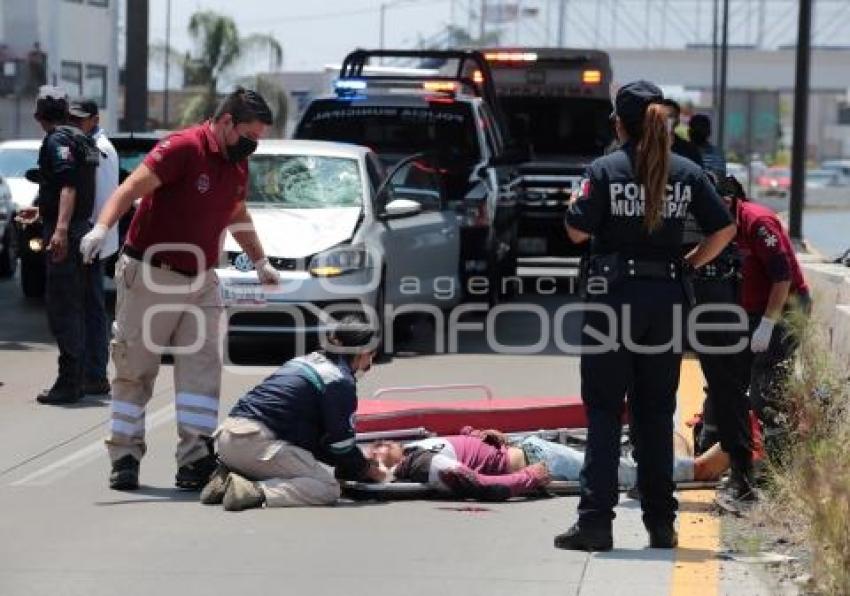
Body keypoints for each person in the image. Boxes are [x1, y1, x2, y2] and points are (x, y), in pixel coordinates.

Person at [557, 80, 736, 551]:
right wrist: (688, 263)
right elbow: (725, 228)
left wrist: (575, 206)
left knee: (603, 410)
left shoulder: (604, 169)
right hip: (666, 299)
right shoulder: (688, 171)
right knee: (656, 413)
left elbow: (576, 232)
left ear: (620, 123)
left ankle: (596, 522)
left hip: (613, 300)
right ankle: (661, 523)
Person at [79, 88, 281, 491]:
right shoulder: (183, 148)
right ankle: (124, 455)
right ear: (226, 122)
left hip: (202, 279)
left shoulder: (236, 163)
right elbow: (130, 189)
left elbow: (237, 212)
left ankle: (195, 459)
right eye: (249, 136)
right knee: (135, 368)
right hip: (151, 273)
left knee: (202, 371)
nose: (253, 146)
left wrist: (260, 260)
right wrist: (101, 228)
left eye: (259, 139)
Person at [199, 315, 386, 511]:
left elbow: (317, 440)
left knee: (299, 462)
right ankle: (250, 490)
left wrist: (352, 463)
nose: (369, 363)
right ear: (363, 352)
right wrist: (367, 469)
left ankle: (228, 477)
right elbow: (341, 444)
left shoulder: (306, 361)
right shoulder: (338, 380)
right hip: (254, 445)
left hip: (227, 441)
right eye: (371, 355)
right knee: (327, 487)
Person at [365, 428, 728, 501]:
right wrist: (527, 477)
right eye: (376, 453)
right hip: (537, 459)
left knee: (617, 458)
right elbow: (479, 484)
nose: (379, 445)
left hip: (526, 447)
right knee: (622, 471)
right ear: (384, 469)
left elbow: (463, 450)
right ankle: (699, 467)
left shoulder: (414, 448)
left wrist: (477, 435)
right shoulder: (425, 465)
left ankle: (680, 454)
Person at [720, 176, 810, 457]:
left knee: (766, 384)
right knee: (730, 379)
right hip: (751, 310)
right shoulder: (721, 224)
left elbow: (782, 277)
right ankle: (736, 453)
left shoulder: (758, 223)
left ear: (726, 200)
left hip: (785, 308)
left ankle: (779, 460)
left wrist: (768, 324)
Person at [21, 86, 99, 405]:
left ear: (39, 116)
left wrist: (61, 230)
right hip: (80, 229)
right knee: (75, 306)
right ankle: (76, 379)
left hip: (69, 233)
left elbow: (68, 186)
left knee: (62, 308)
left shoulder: (57, 140)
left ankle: (69, 383)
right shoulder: (80, 138)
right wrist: (43, 212)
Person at [67, 98, 119, 396]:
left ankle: (96, 372)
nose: (75, 123)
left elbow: (101, 199)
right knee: (88, 306)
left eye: (81, 119)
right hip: (91, 237)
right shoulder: (88, 144)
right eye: (72, 118)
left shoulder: (100, 149)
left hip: (91, 239)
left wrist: (91, 236)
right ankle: (92, 371)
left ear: (95, 119)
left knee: (92, 309)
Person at [660, 98, 704, 168]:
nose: (665, 120)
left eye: (670, 116)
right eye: (661, 116)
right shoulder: (647, 147)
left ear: (678, 120)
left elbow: (698, 172)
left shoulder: (689, 149)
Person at [689, 114, 727, 179]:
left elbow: (719, 177)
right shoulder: (682, 151)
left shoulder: (717, 154)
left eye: (702, 128)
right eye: (696, 128)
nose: (699, 132)